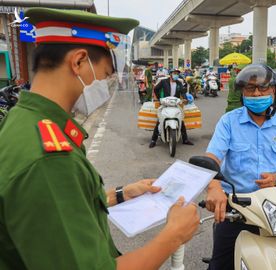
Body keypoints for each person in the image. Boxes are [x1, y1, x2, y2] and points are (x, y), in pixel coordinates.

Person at [0, 8, 200, 270]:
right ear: (79, 62)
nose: (108, 83)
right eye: (107, 75)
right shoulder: (49, 158)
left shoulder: (23, 121)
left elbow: (58, 208)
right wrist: (173, 235)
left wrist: (121, 194)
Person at [204, 64, 276, 270]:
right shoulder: (228, 122)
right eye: (251, 89)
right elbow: (212, 158)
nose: (257, 93)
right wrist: (214, 188)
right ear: (243, 93)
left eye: (263, 88)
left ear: (274, 91)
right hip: (236, 208)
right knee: (220, 265)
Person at [149, 69, 194, 148]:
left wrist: (185, 99)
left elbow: (183, 92)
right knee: (160, 119)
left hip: (175, 103)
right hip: (166, 103)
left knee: (181, 119)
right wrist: (159, 98)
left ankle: (185, 139)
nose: (176, 75)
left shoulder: (179, 83)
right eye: (174, 73)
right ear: (170, 74)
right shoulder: (164, 82)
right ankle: (153, 140)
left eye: (177, 74)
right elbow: (156, 89)